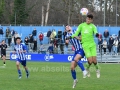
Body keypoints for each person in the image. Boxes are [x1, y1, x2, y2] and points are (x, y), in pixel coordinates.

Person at [72, 14, 100, 78]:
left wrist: (97, 34)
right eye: (87, 18)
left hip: (92, 45)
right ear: (86, 18)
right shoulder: (81, 25)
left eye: (90, 19)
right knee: (90, 61)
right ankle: (87, 69)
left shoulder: (93, 26)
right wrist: (72, 36)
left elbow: (95, 32)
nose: (88, 20)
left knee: (94, 61)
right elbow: (76, 33)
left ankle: (97, 70)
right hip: (85, 45)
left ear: (92, 20)